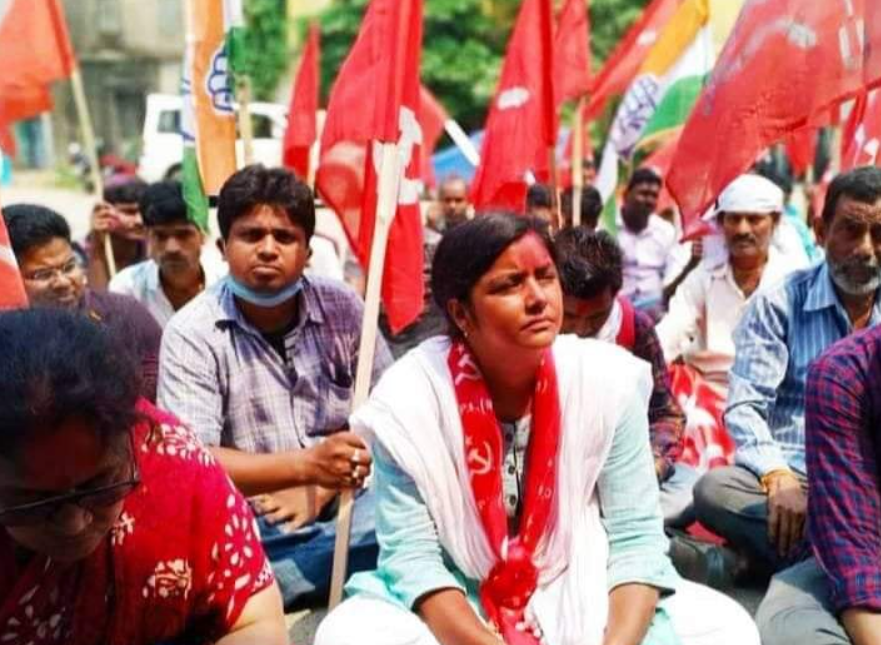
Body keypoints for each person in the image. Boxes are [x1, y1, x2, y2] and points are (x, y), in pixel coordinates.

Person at [315, 213, 759, 645]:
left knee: (728, 628)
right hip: (462, 590)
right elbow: (413, 559)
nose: (537, 298)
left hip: (575, 577)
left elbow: (635, 540)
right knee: (347, 634)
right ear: (462, 313)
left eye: (545, 277)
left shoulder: (605, 381)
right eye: (509, 285)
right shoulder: (410, 400)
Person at [158, 164, 391, 608]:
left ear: (307, 250)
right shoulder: (192, 331)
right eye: (251, 235)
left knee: (414, 511)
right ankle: (310, 572)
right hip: (254, 513)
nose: (268, 249)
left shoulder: (343, 305)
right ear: (224, 248)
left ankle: (262, 584)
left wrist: (326, 482)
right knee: (189, 542)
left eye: (284, 238)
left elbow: (390, 412)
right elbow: (191, 459)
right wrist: (304, 468)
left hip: (351, 495)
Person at [0, 308, 287, 645]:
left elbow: (254, 621)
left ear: (133, 440)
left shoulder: (174, 464)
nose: (74, 524)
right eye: (35, 501)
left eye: (99, 485)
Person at [695, 166, 881, 578]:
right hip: (793, 476)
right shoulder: (780, 303)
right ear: (819, 230)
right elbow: (744, 406)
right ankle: (848, 562)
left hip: (867, 482)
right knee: (713, 491)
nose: (866, 249)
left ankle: (759, 564)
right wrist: (779, 477)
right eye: (851, 231)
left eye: (879, 235)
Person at [554, 227, 692, 527]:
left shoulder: (634, 327)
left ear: (614, 295)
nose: (579, 329)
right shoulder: (534, 329)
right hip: (553, 475)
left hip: (624, 468)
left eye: (595, 318)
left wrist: (654, 463)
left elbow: (664, 412)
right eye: (570, 316)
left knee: (690, 491)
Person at [756, 325, 881, 645]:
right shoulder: (841, 373)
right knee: (787, 627)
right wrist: (776, 473)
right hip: (863, 535)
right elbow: (853, 546)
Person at [655, 175, 793, 463]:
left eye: (754, 219)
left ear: (775, 222)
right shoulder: (703, 279)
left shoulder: (793, 282)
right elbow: (669, 334)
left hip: (772, 399)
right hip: (707, 392)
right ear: (721, 224)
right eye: (734, 219)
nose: (743, 229)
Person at [3, 204, 162, 402]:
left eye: (69, 267)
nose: (62, 282)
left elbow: (160, 392)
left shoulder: (124, 314)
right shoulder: (7, 336)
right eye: (42, 274)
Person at [109, 180, 226, 327]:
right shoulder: (127, 287)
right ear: (147, 236)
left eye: (183, 235)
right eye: (160, 236)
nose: (172, 248)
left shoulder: (226, 282)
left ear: (203, 235)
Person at [616, 168, 677, 312]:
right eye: (643, 194)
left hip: (655, 307)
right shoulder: (608, 227)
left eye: (654, 195)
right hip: (617, 309)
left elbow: (672, 273)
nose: (649, 200)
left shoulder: (666, 231)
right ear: (626, 195)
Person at [86, 177, 149, 291]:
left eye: (144, 211)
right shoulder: (77, 254)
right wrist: (97, 247)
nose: (139, 221)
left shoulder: (153, 249)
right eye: (129, 212)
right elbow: (99, 303)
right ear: (103, 212)